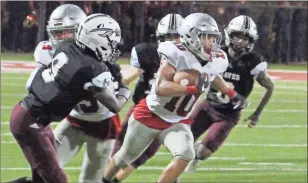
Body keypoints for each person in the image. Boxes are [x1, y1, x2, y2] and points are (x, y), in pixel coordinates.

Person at [102, 13, 238, 183]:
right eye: (206, 37)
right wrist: (193, 88)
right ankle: (104, 180)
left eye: (213, 38)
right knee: (124, 158)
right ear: (191, 36)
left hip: (177, 120)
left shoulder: (216, 59)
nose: (211, 43)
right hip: (150, 115)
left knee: (186, 154)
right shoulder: (176, 54)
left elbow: (213, 75)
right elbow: (160, 88)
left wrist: (229, 92)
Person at [8, 13, 127, 183]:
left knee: (41, 179)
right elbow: (114, 105)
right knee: (57, 179)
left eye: (68, 32)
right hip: (34, 120)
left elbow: (32, 84)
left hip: (37, 118)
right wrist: (123, 91)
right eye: (109, 40)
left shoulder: (68, 48)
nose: (63, 37)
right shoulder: (92, 67)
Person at [185, 15, 275, 173]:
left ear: (252, 40)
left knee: (202, 152)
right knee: (182, 141)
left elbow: (270, 87)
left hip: (229, 115)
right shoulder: (217, 53)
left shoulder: (253, 61)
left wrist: (257, 114)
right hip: (208, 106)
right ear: (229, 34)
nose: (241, 41)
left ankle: (198, 155)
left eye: (245, 38)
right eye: (238, 36)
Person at [111, 14, 184, 183]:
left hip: (164, 114)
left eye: (176, 37)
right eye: (168, 37)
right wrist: (114, 84)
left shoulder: (189, 60)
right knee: (119, 147)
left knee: (141, 154)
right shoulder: (146, 52)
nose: (172, 42)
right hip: (141, 108)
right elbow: (132, 74)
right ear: (159, 38)